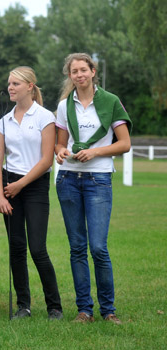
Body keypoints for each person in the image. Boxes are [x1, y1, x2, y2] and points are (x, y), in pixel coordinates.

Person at [55, 53, 131, 325]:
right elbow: (60, 143)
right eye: (74, 71)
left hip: (98, 179)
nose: (79, 75)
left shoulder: (110, 101)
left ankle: (108, 310)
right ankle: (84, 310)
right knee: (77, 248)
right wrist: (61, 151)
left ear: (93, 71)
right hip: (68, 179)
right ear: (70, 75)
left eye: (83, 70)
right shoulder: (65, 106)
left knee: (98, 247)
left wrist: (95, 152)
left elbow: (124, 144)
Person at [0, 66, 63, 320]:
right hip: (9, 187)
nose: (10, 88)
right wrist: (0, 195)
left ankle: (54, 306)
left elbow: (46, 160)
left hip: (34, 187)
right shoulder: (4, 120)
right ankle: (24, 305)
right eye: (9, 84)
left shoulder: (44, 117)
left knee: (37, 248)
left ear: (30, 86)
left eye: (15, 84)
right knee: (16, 248)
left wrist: (20, 185)